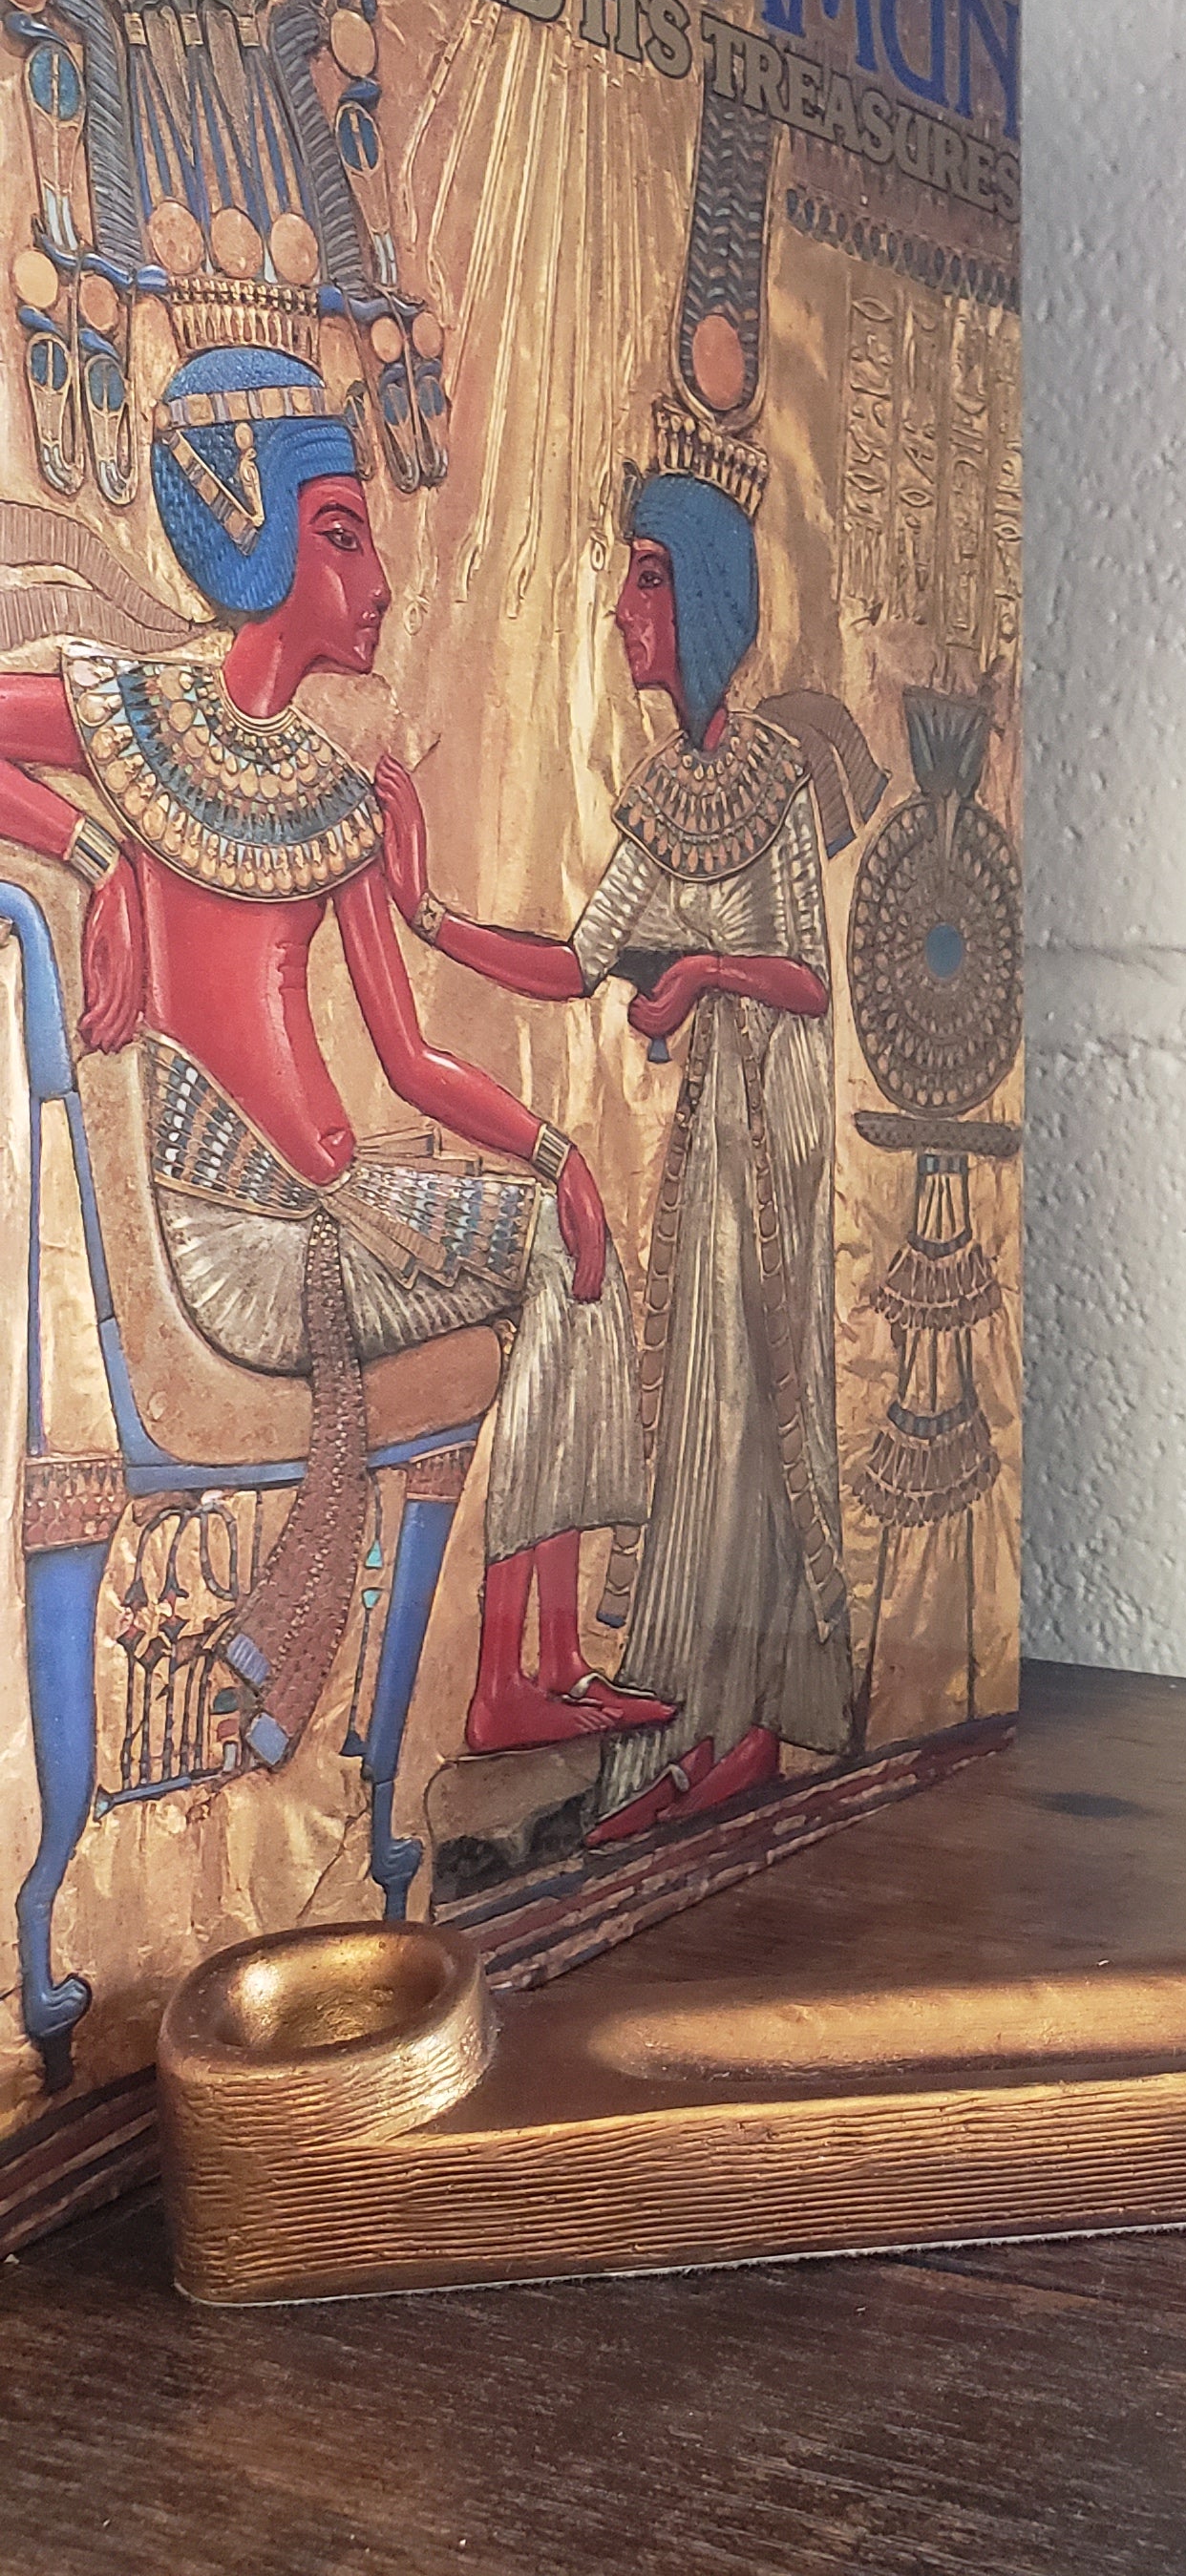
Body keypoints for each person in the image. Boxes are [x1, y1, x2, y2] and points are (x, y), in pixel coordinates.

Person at [0, 343, 668, 1761]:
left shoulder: (340, 780)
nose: (376, 586)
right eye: (341, 538)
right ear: (250, 532)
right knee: (557, 1253)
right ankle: (513, 1670)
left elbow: (414, 1059)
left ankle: (524, 1663)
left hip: (335, 1209)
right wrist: (88, 841)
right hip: (233, 1249)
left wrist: (558, 1153)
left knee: (565, 1223)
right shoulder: (132, 714)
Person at [377, 456, 852, 1840]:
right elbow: (576, 960)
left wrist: (703, 976)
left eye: (646, 579)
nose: (623, 610)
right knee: (698, 1405)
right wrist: (426, 912)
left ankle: (749, 1724)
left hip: (778, 1125)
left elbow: (810, 980)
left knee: (751, 1411)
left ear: (699, 600)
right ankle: (699, 1732)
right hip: (712, 1126)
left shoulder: (765, 773)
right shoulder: (665, 789)